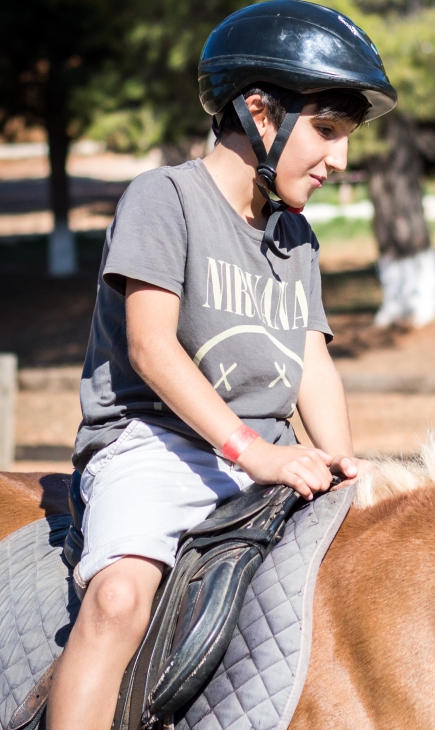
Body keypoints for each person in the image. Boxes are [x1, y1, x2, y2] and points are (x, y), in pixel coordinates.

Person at [46, 2, 397, 728]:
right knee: (117, 601)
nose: (339, 161)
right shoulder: (163, 197)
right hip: (155, 448)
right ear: (261, 113)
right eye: (328, 133)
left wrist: (340, 461)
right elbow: (151, 347)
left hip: (263, 456)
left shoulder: (293, 236)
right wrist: (256, 453)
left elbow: (312, 365)